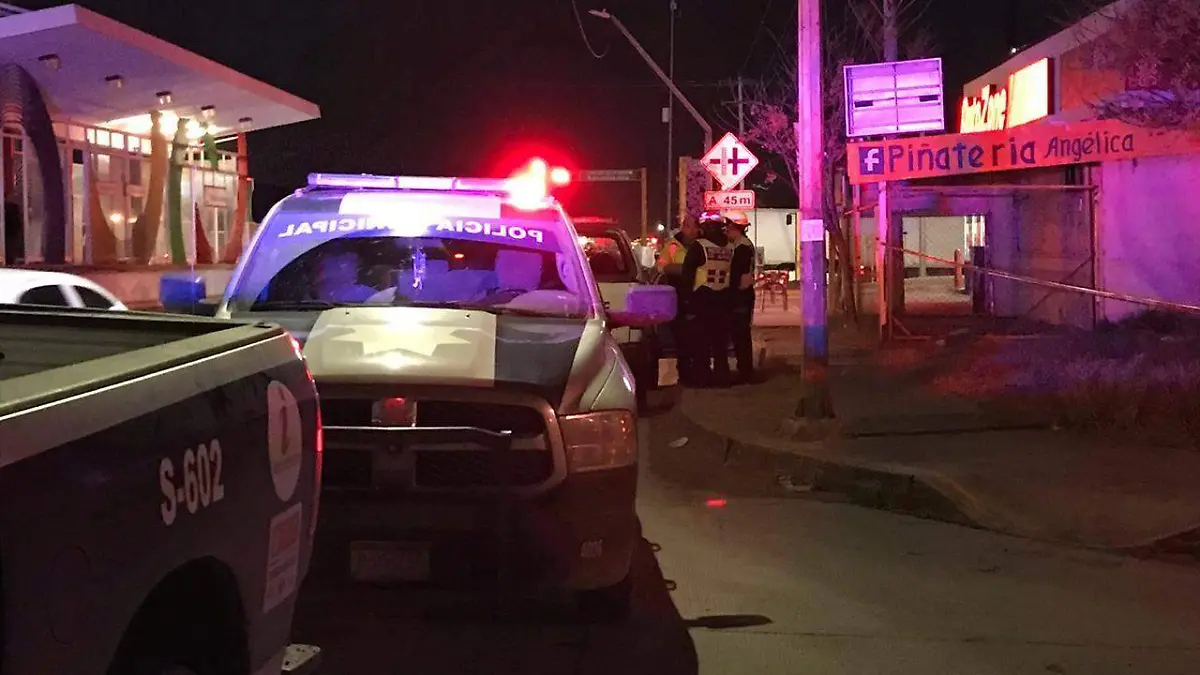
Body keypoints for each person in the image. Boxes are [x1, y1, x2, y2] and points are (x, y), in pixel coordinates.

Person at [680, 211, 736, 387]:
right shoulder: (730, 247)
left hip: (701, 299)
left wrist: (686, 301)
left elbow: (687, 275)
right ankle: (722, 377)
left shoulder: (699, 246)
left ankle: (702, 377)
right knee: (720, 345)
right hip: (723, 299)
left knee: (701, 344)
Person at [657, 215, 699, 385]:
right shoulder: (672, 246)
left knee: (696, 337)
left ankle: (697, 372)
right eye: (687, 226)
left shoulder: (701, 245)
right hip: (678, 296)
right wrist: (686, 270)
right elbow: (661, 266)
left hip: (697, 296)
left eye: (693, 227)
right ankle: (685, 374)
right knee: (681, 338)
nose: (691, 230)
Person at [725, 210, 758, 384]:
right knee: (741, 334)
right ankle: (745, 370)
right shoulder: (741, 245)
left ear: (734, 227)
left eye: (727, 227)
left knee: (741, 335)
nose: (725, 231)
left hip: (740, 295)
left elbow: (735, 274)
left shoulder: (742, 248)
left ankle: (745, 372)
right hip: (743, 294)